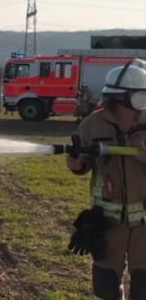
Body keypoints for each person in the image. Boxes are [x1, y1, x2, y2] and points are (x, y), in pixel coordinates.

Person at [67, 60, 146, 299]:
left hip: (145, 226)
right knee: (106, 287)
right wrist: (76, 165)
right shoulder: (93, 124)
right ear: (123, 96)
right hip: (108, 224)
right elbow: (80, 161)